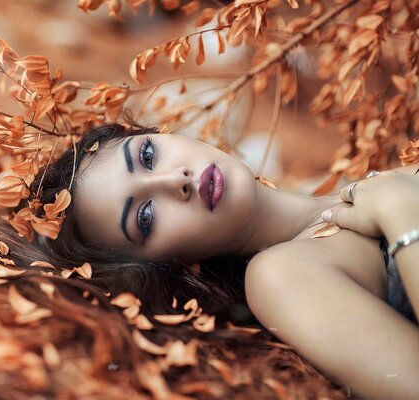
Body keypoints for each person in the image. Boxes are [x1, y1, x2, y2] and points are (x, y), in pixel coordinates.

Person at [31, 123, 419, 399]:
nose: (174, 181)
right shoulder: (283, 277)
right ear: (175, 265)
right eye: (145, 217)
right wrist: (403, 215)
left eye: (147, 155)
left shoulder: (365, 183)